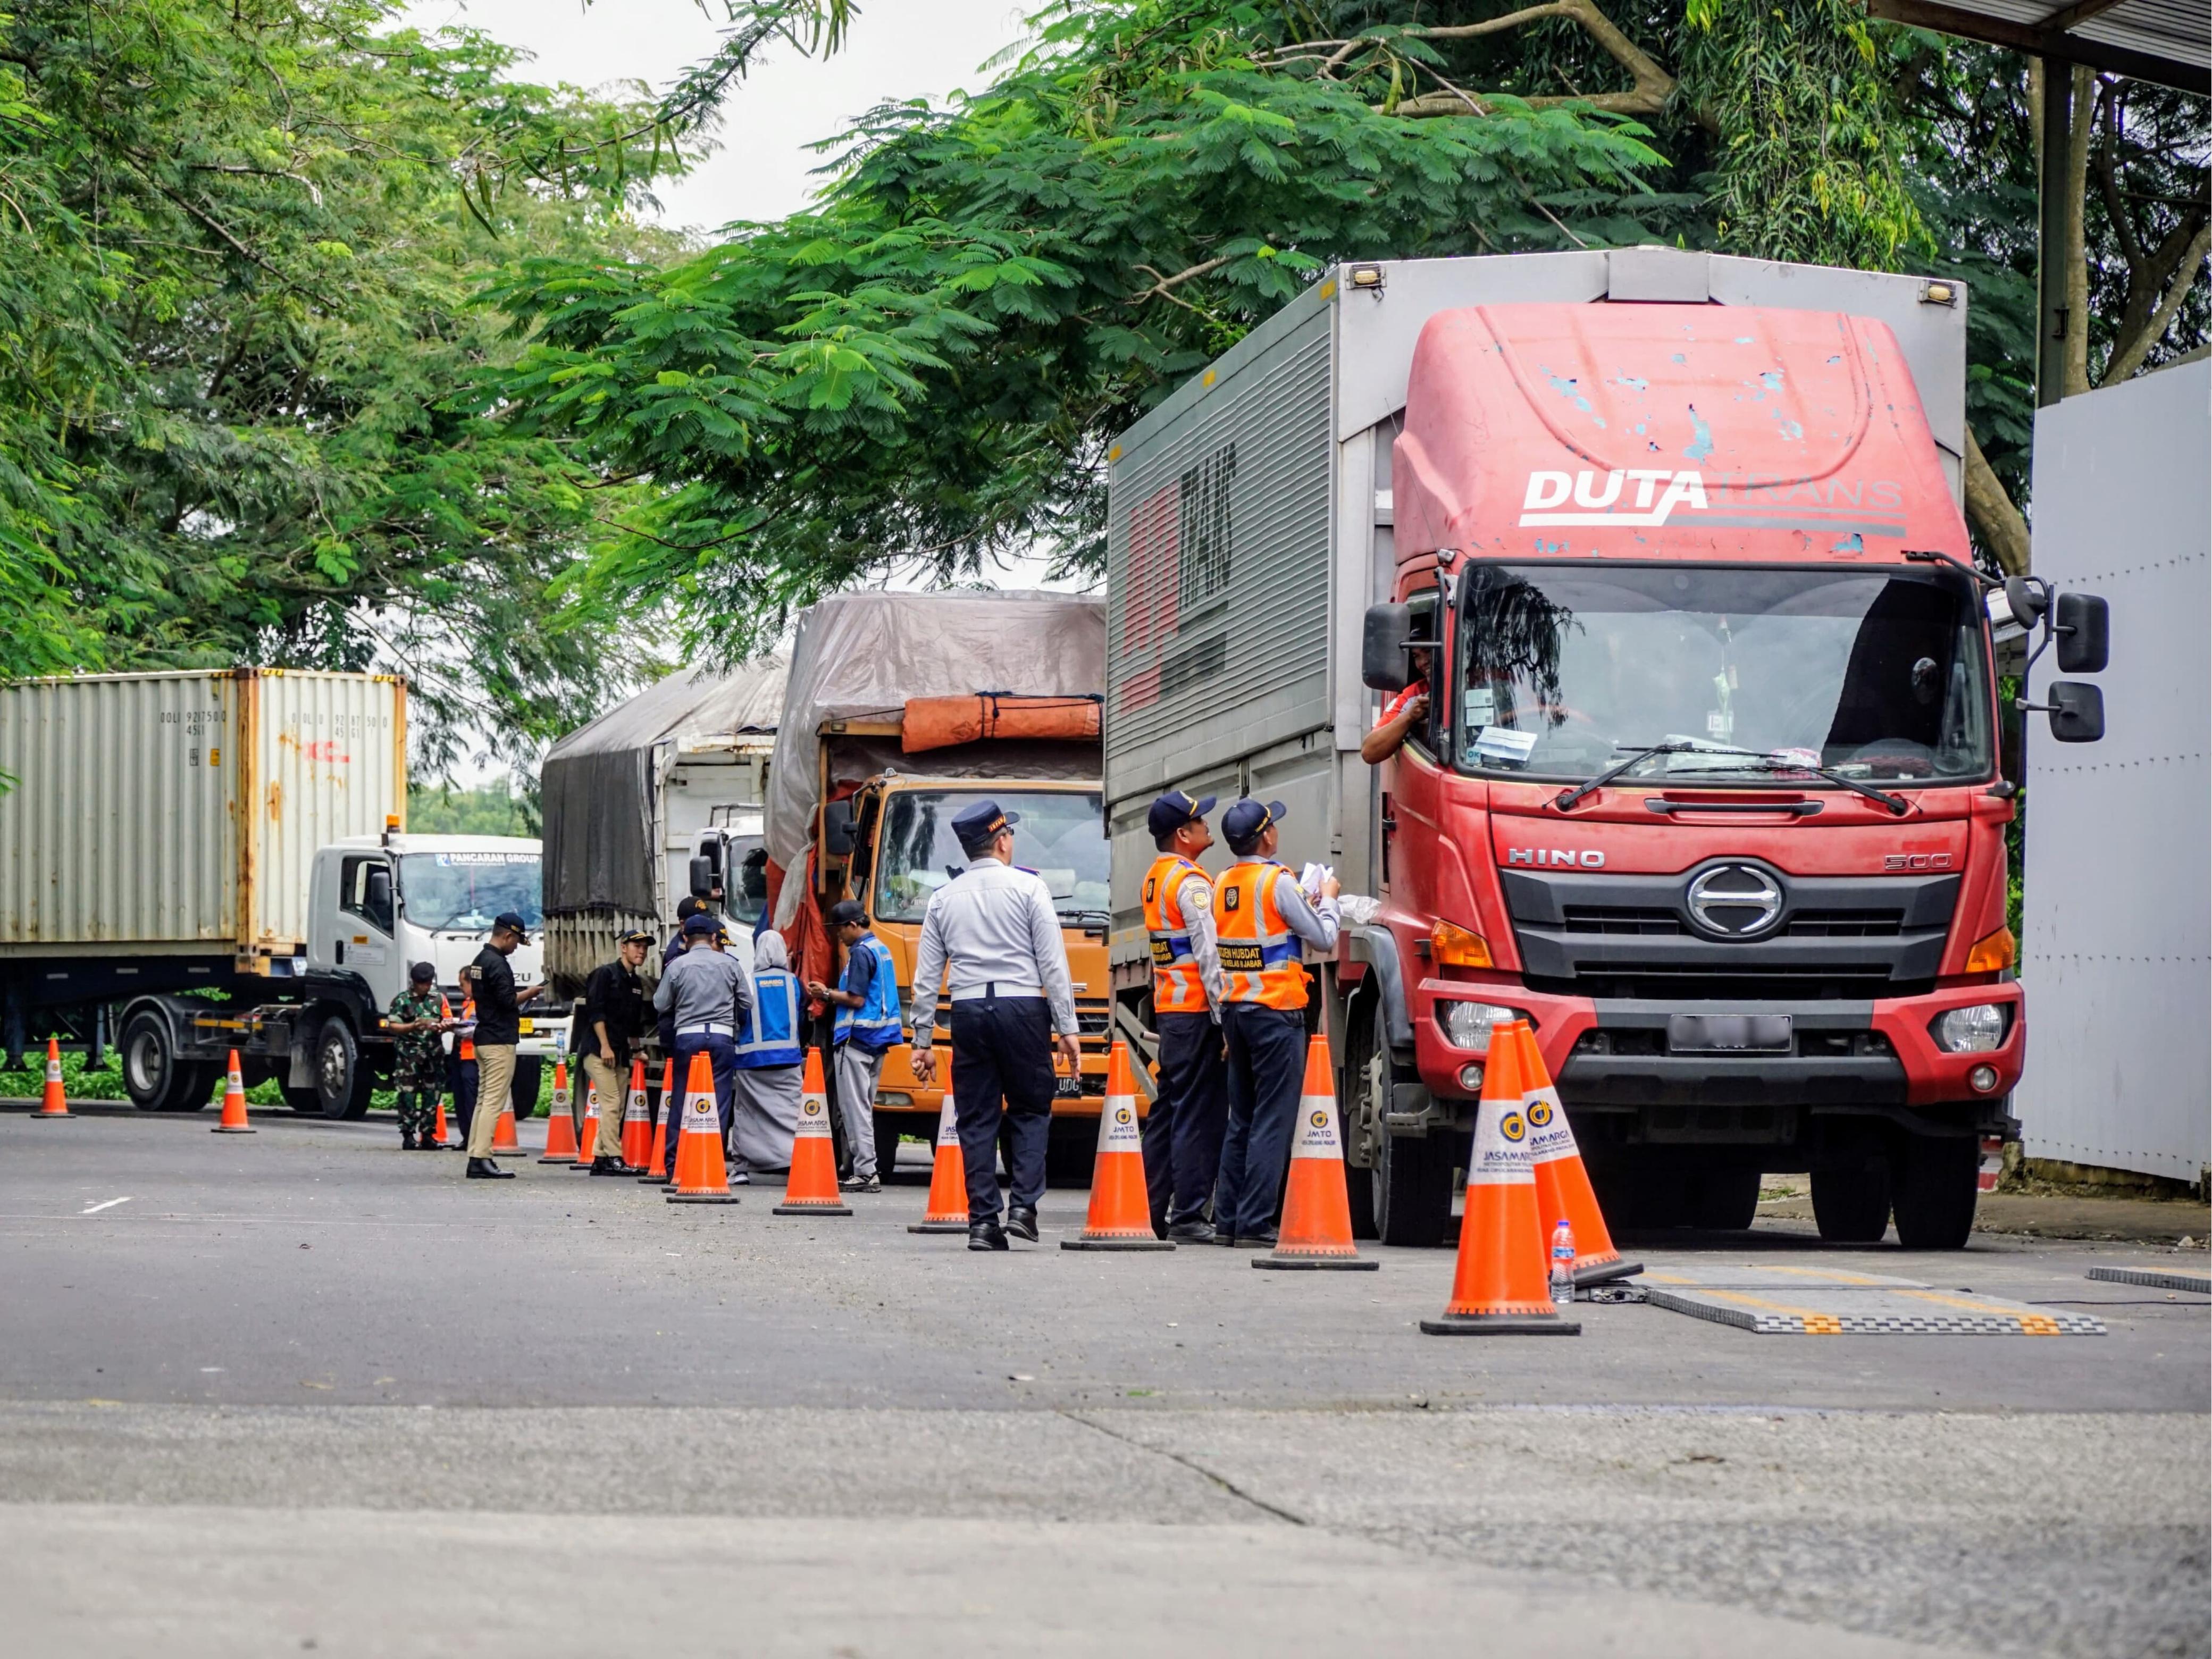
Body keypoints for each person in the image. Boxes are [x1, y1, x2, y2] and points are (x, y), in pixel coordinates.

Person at [907, 800, 1081, 1252]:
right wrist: (1068, 1028)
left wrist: (921, 1039)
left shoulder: (944, 898)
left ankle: (982, 1223)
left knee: (977, 1118)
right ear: (1003, 840)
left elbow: (927, 975)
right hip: (1023, 1007)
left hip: (967, 1012)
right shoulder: (1030, 888)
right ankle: (1023, 1208)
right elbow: (1052, 963)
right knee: (1030, 1108)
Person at [1210, 799, 1340, 1247]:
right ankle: (1255, 1222)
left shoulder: (1223, 881)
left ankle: (1227, 1221)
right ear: (1266, 836)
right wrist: (1331, 902)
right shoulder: (1278, 882)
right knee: (1273, 1119)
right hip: (1276, 1013)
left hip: (1236, 1012)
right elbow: (1322, 937)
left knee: (1241, 1118)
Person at [1138, 790, 1229, 1242]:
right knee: (1196, 1113)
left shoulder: (1156, 878)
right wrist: (1223, 1015)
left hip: (1171, 1010)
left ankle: (1150, 1210)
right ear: (1183, 834)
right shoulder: (1192, 883)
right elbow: (1209, 954)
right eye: (1200, 820)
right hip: (1195, 1013)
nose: (1206, 825)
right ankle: (1190, 1214)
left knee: (1168, 1111)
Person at [807, 898, 902, 1194]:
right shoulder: (882, 949)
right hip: (879, 1040)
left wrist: (826, 994)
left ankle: (865, 1171)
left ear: (853, 925)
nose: (838, 935)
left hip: (856, 1039)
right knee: (864, 1108)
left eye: (840, 929)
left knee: (854, 1109)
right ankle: (861, 1168)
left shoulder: (861, 953)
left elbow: (857, 999)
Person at [651, 910, 751, 1180]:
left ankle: (675, 1168)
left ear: (685, 937)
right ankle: (712, 1166)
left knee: (682, 1100)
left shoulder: (677, 966)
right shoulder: (730, 965)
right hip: (721, 1038)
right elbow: (747, 1002)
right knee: (718, 1103)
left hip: (688, 1038)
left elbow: (660, 1004)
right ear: (711, 937)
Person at [463, 911, 544, 1179]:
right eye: (516, 942)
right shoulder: (497, 964)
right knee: (493, 1103)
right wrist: (530, 993)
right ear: (507, 936)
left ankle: (476, 1154)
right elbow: (508, 1001)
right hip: (499, 1040)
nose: (515, 948)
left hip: (484, 1037)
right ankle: (482, 1158)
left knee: (483, 1100)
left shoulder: (479, 961)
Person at [731, 929, 803, 1183]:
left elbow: (739, 1018)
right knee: (792, 1113)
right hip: (788, 1060)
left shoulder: (748, 981)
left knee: (747, 1115)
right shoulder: (794, 982)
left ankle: (742, 1168)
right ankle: (796, 1161)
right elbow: (801, 1018)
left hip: (753, 1061)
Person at [578, 930, 652, 1174]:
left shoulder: (635, 983)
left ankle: (600, 1158)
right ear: (623, 947)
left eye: (644, 947)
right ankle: (614, 1157)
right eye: (636, 946)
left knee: (617, 1106)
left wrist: (637, 1050)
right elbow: (595, 1012)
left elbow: (633, 1024)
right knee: (611, 1103)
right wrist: (605, 1046)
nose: (641, 951)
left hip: (619, 1052)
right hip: (599, 1050)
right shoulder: (605, 974)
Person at [387, 961, 450, 1151]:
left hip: (433, 1055)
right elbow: (393, 1026)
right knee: (408, 1094)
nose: (425, 987)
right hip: (409, 1056)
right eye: (422, 983)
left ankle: (429, 1134)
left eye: (428, 983)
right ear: (414, 982)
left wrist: (443, 1027)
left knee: (433, 1093)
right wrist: (412, 1027)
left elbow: (448, 1019)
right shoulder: (402, 1000)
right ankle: (408, 1135)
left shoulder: (439, 999)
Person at [1359, 644, 1434, 766]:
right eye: (1416, 656)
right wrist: (1409, 716)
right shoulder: (1414, 696)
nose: (1423, 662)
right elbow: (1369, 752)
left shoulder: (1474, 683)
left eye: (1428, 651)